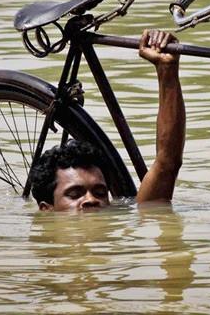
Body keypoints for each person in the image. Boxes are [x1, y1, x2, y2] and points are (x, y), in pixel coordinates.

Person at [30, 29, 185, 211]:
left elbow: (167, 163)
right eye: (74, 194)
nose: (91, 200)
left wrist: (167, 67)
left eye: (100, 192)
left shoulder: (127, 225)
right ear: (46, 209)